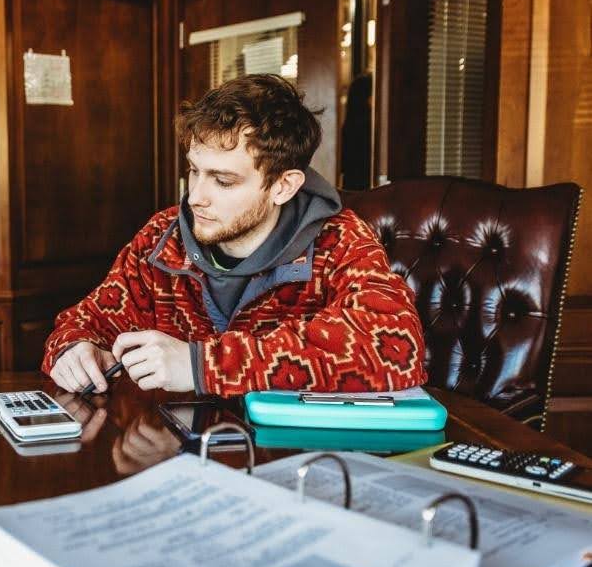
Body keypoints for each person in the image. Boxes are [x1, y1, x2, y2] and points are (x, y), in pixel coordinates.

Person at [44, 74, 425, 396]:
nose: (195, 198)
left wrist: (201, 366)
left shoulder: (340, 241)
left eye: (223, 181)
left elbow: (395, 349)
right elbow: (82, 322)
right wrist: (73, 351)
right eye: (194, 171)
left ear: (283, 187)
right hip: (180, 459)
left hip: (293, 465)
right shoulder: (163, 235)